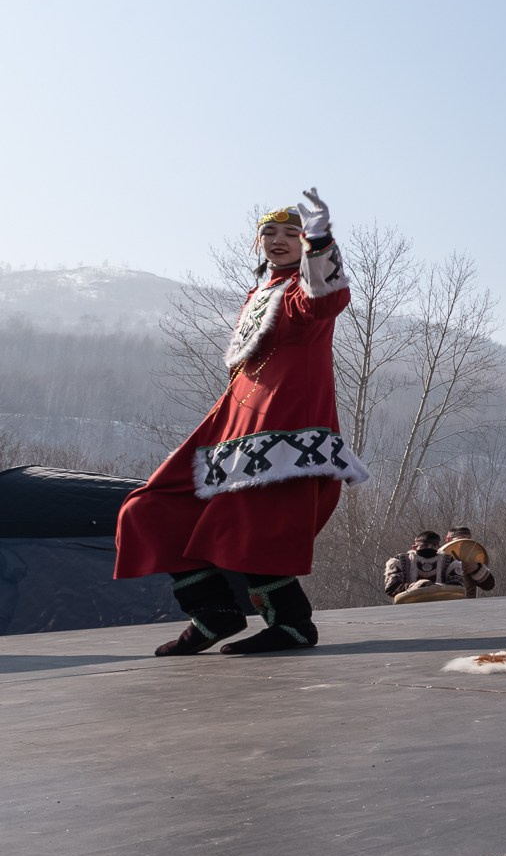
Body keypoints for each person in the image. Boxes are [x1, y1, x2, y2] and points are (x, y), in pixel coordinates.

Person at [117, 191, 368, 655]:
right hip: (235, 422)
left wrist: (320, 242)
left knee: (249, 519)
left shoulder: (301, 290)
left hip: (286, 428)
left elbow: (324, 300)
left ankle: (291, 624)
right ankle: (214, 612)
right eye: (269, 232)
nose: (278, 239)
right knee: (149, 509)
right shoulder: (262, 292)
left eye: (291, 233)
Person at [384, 529, 467, 599]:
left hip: (440, 605)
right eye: (424, 546)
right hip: (408, 606)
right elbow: (391, 588)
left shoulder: (449, 561)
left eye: (434, 546)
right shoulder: (400, 560)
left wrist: (436, 588)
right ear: (414, 547)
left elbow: (457, 587)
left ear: (438, 547)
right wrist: (416, 586)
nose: (429, 548)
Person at [443, 525, 496, 598]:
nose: (465, 544)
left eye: (468, 541)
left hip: (469, 603)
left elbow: (489, 585)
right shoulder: (439, 559)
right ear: (448, 539)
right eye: (460, 540)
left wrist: (477, 568)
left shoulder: (472, 560)